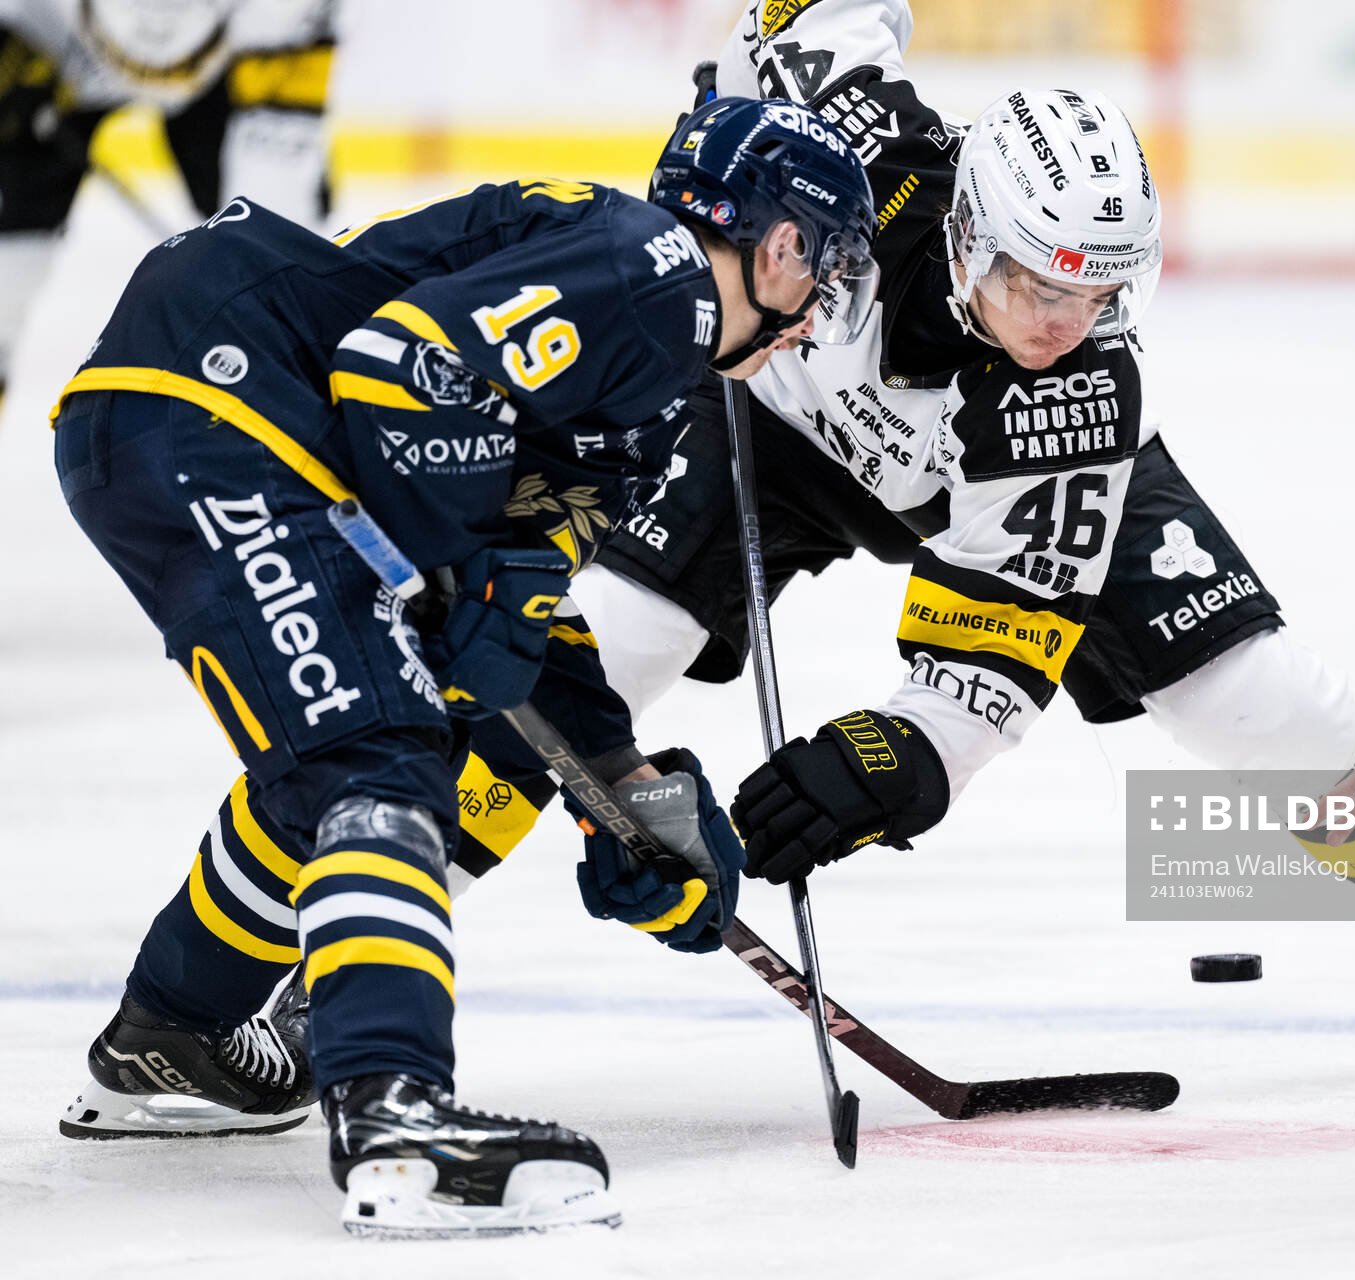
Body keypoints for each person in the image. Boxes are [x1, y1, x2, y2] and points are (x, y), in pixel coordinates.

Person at [560, 0, 1355, 1066]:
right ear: (965, 231)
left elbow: (997, 648)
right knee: (596, 649)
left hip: (994, 469)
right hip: (771, 422)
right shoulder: (851, 132)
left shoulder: (1080, 386)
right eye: (1035, 282)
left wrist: (890, 760)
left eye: (1094, 291)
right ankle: (395, 889)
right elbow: (798, 19)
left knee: (1242, 690)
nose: (1059, 323)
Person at [51, 95, 878, 1234]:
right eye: (825, 268)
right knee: (375, 756)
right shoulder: (656, 273)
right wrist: (462, 557)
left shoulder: (642, 393)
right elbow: (398, 364)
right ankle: (396, 1112)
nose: (817, 309)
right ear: (781, 245)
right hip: (219, 405)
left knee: (346, 750)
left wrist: (623, 790)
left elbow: (521, 611)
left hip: (211, 421)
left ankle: (176, 1039)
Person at [0, 0, 335, 407]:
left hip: (226, 66)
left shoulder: (284, 15)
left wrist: (269, 301)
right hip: (57, 55)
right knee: (10, 260)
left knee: (269, 253)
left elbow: (277, 215)